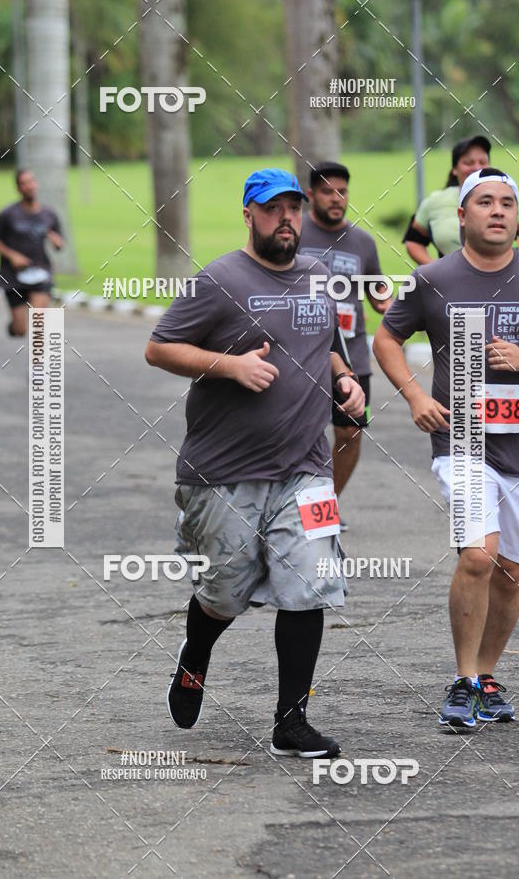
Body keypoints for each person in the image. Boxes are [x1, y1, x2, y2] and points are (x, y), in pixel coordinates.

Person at [145, 168, 365, 757]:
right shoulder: (219, 279)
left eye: (294, 207)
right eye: (274, 209)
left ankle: (291, 723)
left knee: (309, 586)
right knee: (224, 595)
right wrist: (231, 366)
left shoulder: (319, 277)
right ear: (250, 214)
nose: (287, 218)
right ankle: (195, 655)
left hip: (306, 467)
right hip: (224, 473)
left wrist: (345, 381)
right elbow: (158, 347)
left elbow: (327, 346)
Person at [374, 167, 519, 728]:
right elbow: (387, 338)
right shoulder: (433, 279)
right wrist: (412, 397)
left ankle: (486, 674)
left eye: (508, 202)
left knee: (509, 571)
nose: (499, 211)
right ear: (461, 216)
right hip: (461, 441)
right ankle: (462, 680)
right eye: (485, 202)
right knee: (477, 554)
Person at [298, 161, 391, 527]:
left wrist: (385, 299)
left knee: (350, 431)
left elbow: (377, 288)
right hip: (303, 356)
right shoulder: (296, 235)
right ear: (310, 196)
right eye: (327, 191)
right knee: (300, 435)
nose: (337, 199)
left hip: (352, 359)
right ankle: (292, 508)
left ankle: (326, 508)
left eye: (342, 191)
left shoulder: (362, 242)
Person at [403, 135, 519, 264]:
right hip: (451, 288)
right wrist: (435, 270)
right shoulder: (434, 202)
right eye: (468, 162)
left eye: (482, 162)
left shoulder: (510, 199)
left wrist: (505, 247)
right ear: (454, 169)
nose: (476, 168)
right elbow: (414, 241)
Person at [0, 169, 63, 337]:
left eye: (31, 182)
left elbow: (59, 242)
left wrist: (57, 242)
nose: (28, 186)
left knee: (39, 322)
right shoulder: (8, 214)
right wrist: (12, 255)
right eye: (24, 183)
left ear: (36, 184)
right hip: (13, 275)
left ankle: (38, 361)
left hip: (41, 272)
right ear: (18, 188)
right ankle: (15, 327)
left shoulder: (49, 214)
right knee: (20, 330)